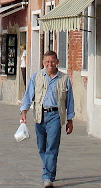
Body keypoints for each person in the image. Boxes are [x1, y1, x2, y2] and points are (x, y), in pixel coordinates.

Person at [20, 50, 74, 188]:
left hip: (55, 115)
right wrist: (24, 111)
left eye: (53, 61)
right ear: (43, 63)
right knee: (41, 147)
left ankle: (47, 176)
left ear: (57, 62)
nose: (50, 64)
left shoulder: (64, 79)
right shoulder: (36, 77)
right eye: (47, 62)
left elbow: (69, 101)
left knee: (52, 146)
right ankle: (50, 170)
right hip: (40, 115)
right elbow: (28, 95)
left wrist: (70, 120)